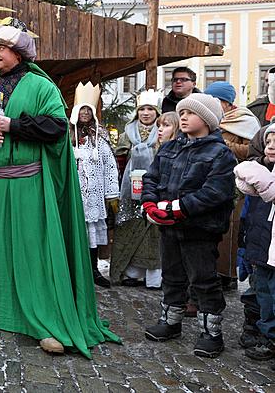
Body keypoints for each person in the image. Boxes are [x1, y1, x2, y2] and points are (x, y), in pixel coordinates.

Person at [0, 18, 119, 357]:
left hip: (28, 184)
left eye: (2, 48)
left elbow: (56, 127)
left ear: (19, 53)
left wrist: (12, 125)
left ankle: (42, 318)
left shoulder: (40, 87)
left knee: (32, 250)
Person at [142, 93, 236, 358]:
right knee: (171, 275)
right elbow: (152, 177)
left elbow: (215, 193)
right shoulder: (170, 148)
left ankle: (211, 333)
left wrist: (177, 208)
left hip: (200, 229)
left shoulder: (220, 153)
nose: (183, 117)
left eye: (190, 113)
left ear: (206, 120)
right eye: (181, 113)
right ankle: (170, 321)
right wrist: (150, 204)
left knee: (203, 280)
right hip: (169, 228)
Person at [205, 81, 261, 291]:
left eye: (216, 100)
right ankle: (212, 273)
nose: (213, 104)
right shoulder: (212, 120)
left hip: (237, 182)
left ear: (227, 103)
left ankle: (226, 274)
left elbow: (251, 151)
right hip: (212, 180)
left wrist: (226, 145)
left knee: (231, 228)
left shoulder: (245, 121)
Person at [110, 91, 163, 289]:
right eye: (142, 109)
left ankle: (154, 277)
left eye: (150, 109)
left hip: (155, 188)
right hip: (129, 190)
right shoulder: (127, 133)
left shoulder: (162, 132)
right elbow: (119, 161)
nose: (146, 113)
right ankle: (130, 273)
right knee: (129, 227)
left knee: (152, 232)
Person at [69, 82, 119, 288]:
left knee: (92, 235)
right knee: (74, 232)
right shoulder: (67, 135)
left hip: (94, 197)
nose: (86, 113)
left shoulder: (101, 136)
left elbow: (109, 165)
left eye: (89, 110)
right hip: (74, 193)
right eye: (82, 110)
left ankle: (93, 270)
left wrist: (111, 193)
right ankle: (73, 272)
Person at [234, 125, 275, 363]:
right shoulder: (259, 175)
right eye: (268, 142)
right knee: (264, 296)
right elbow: (250, 219)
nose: (271, 147)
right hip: (261, 250)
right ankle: (267, 337)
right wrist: (247, 251)